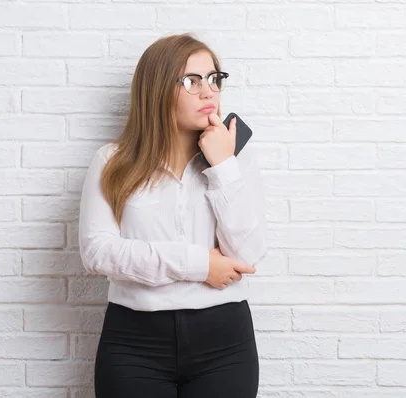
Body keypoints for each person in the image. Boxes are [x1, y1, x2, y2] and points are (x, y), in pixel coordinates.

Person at [78, 33, 268, 398]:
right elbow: (98, 252)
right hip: (133, 344)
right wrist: (199, 264)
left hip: (225, 343)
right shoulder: (112, 161)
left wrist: (223, 165)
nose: (208, 92)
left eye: (213, 79)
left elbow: (248, 255)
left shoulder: (235, 158)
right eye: (191, 81)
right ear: (156, 90)